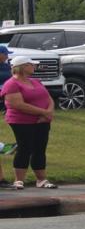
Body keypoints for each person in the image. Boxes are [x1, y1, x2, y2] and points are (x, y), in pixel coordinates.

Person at [3, 52, 57, 190]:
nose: (34, 66)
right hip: (21, 121)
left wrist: (48, 112)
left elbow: (48, 98)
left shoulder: (36, 81)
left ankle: (41, 179)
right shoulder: (11, 84)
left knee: (40, 148)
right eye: (31, 64)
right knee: (25, 147)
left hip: (42, 120)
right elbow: (18, 104)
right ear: (22, 67)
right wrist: (43, 112)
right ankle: (19, 180)